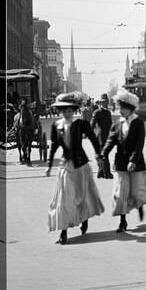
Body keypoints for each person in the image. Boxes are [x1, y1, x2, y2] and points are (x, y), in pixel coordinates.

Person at [46, 92, 104, 245]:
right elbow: (53, 146)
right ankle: (63, 232)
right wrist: (49, 163)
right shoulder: (56, 125)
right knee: (64, 199)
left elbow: (93, 138)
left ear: (74, 110)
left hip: (81, 165)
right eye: (64, 110)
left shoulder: (81, 124)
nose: (67, 113)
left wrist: (99, 154)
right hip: (65, 166)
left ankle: (84, 218)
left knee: (81, 196)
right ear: (60, 111)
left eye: (70, 110)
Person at [100, 89, 146, 233]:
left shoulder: (138, 123)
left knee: (136, 192)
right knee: (121, 192)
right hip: (121, 163)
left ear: (130, 109)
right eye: (119, 108)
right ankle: (123, 221)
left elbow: (139, 144)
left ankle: (140, 206)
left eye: (122, 108)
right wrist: (103, 154)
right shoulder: (117, 124)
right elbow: (111, 140)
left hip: (136, 162)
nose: (120, 111)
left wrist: (133, 160)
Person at [91, 93, 113, 178]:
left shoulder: (108, 112)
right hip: (100, 136)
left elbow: (110, 124)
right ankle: (107, 173)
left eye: (106, 102)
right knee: (104, 154)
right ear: (100, 103)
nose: (105, 103)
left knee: (102, 154)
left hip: (107, 136)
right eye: (103, 102)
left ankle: (101, 173)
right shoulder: (96, 112)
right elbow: (92, 124)